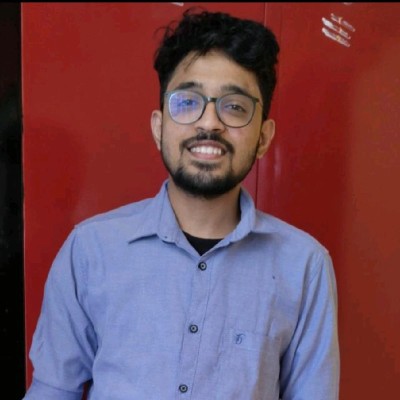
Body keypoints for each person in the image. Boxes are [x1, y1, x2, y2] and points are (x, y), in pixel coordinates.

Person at [23, 8, 340, 400]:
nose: (209, 123)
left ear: (263, 137)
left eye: (235, 106)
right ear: (159, 128)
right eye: (188, 102)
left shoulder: (304, 266)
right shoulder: (91, 250)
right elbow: (53, 391)